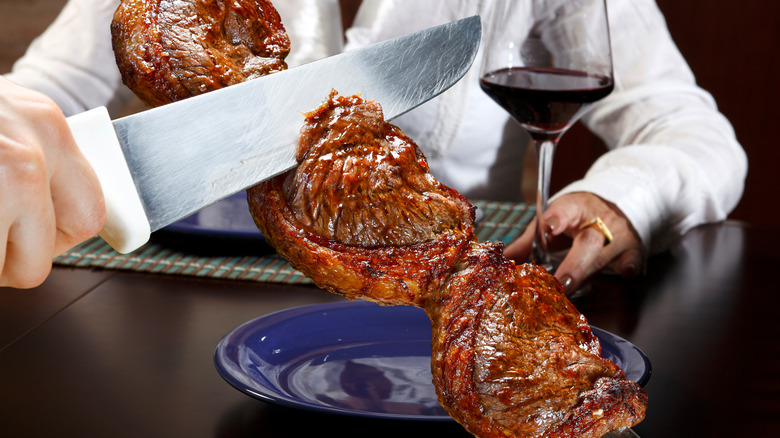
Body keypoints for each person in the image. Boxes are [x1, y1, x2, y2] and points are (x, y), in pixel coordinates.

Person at [2, 0, 747, 293]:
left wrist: (622, 199)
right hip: (178, 303)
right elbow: (34, 96)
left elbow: (690, 129)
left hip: (418, 320)